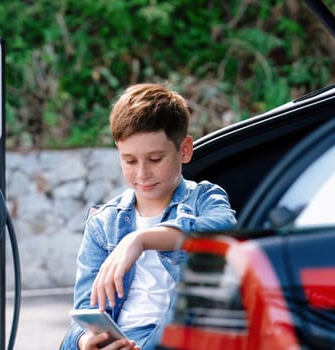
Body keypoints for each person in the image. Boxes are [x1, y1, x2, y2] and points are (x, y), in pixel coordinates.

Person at [61, 83, 237, 350]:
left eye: (155, 159)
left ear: (185, 150)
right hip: (123, 337)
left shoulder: (203, 198)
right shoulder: (103, 224)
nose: (142, 173)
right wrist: (89, 340)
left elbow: (224, 227)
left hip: (180, 335)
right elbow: (87, 309)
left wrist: (141, 239)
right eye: (130, 161)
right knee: (71, 342)